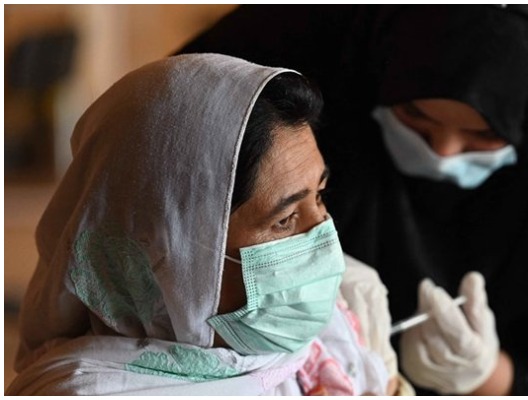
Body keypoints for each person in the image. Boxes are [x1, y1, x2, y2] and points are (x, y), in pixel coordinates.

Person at [177, 5, 528, 395]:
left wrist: (490, 376)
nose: (443, 152)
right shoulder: (286, 56)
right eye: (414, 116)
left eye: (484, 135)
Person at [6, 53, 408, 395]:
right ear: (167, 250)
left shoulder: (317, 343)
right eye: (285, 219)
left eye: (319, 197)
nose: (324, 238)